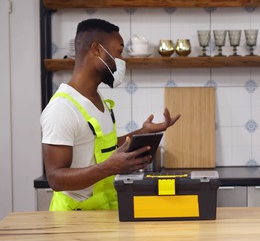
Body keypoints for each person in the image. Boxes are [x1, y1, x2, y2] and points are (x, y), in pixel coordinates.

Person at [40, 18, 180, 211]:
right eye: (119, 52)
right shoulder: (62, 108)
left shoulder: (99, 100)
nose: (123, 60)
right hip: (73, 220)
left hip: (104, 212)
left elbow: (106, 146)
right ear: (97, 50)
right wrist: (109, 167)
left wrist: (143, 132)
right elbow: (55, 178)